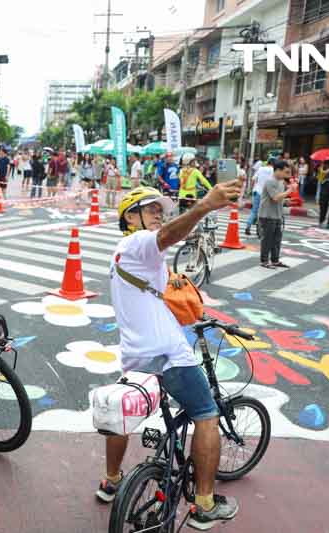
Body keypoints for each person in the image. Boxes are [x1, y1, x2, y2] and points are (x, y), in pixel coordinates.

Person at [103, 179, 244, 531]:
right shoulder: (139, 243)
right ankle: (205, 504)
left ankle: (111, 480)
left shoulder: (123, 254)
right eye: (149, 209)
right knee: (207, 414)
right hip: (169, 356)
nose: (157, 214)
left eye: (159, 209)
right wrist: (205, 205)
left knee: (123, 413)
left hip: (136, 356)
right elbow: (168, 236)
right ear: (129, 218)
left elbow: (155, 294)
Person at [258, 160, 294, 268]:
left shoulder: (280, 182)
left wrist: (286, 201)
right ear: (278, 170)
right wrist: (289, 191)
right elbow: (275, 198)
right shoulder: (270, 181)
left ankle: (275, 260)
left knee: (277, 239)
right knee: (267, 239)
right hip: (267, 215)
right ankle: (264, 261)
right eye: (285, 172)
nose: (287, 175)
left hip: (277, 215)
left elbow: (279, 198)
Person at [244, 158, 274, 236]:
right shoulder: (273, 171)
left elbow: (253, 179)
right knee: (263, 212)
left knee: (254, 211)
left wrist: (252, 189)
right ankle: (259, 230)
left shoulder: (260, 169)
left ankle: (248, 226)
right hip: (266, 194)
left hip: (257, 192)